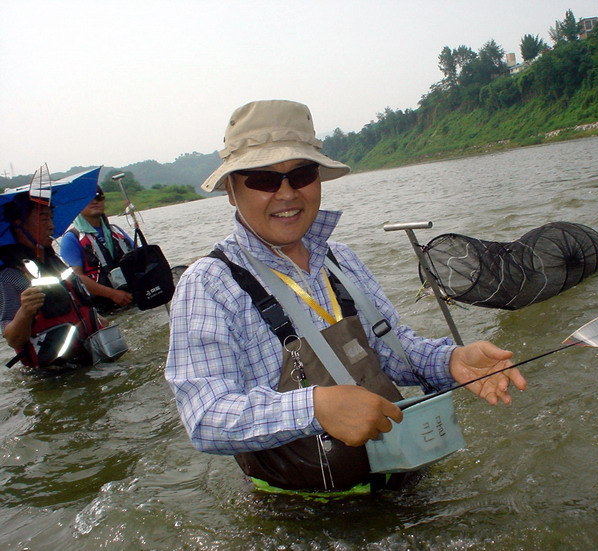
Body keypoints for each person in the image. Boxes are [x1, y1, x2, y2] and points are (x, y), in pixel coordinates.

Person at [165, 100, 526, 495]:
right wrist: (315, 407)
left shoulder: (341, 259)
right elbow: (205, 417)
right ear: (232, 191)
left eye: (301, 175)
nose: (286, 194)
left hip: (402, 471)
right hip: (306, 513)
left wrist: (451, 360)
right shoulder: (209, 285)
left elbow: (390, 350)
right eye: (263, 180)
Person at [0, 194, 100, 371]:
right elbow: (12, 339)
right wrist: (25, 311)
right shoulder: (10, 276)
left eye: (51, 218)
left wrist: (99, 321)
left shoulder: (54, 262)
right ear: (19, 224)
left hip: (91, 355)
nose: (51, 226)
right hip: (53, 374)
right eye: (43, 219)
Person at [59, 186, 135, 312]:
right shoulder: (71, 239)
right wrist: (112, 294)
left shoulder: (116, 231)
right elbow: (75, 278)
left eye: (98, 197)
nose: (94, 201)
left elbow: (140, 256)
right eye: (87, 199)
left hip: (131, 298)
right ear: (77, 205)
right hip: (102, 307)